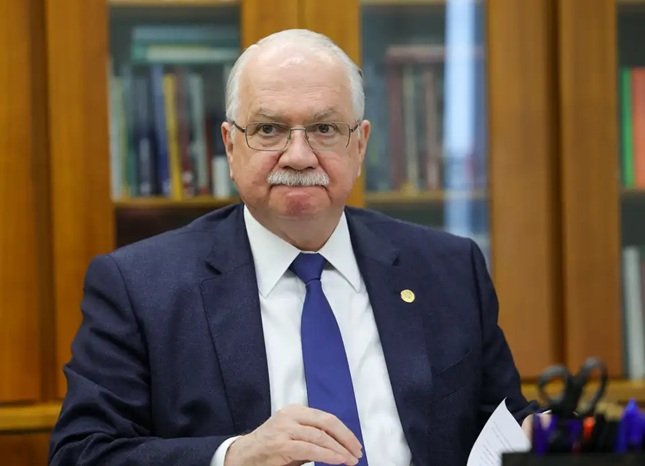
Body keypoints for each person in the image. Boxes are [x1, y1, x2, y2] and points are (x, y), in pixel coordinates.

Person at [49, 29, 537, 466]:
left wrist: (544, 431)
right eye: (269, 129)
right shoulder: (140, 288)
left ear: (360, 145)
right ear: (231, 146)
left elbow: (503, 422)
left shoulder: (448, 269)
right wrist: (232, 458)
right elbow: (82, 452)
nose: (299, 156)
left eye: (325, 129)